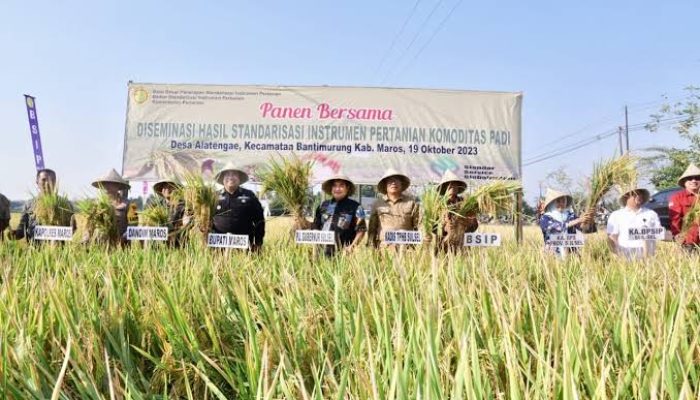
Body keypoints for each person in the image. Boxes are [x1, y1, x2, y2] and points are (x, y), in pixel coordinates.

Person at [212, 163, 265, 251]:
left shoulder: (249, 195)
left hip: (244, 245)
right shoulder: (214, 196)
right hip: (218, 245)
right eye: (227, 175)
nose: (231, 177)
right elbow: (205, 220)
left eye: (234, 174)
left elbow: (259, 220)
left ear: (239, 178)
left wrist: (258, 242)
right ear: (222, 179)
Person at [313, 174, 367, 256]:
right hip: (321, 253)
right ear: (331, 188)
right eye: (334, 186)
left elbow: (361, 230)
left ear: (347, 188)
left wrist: (351, 247)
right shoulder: (322, 206)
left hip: (343, 254)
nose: (337, 189)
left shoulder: (356, 207)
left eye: (341, 185)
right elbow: (316, 227)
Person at [367, 168, 420, 248]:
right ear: (385, 185)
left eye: (396, 180)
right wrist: (372, 248)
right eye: (390, 181)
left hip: (407, 249)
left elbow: (419, 226)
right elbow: (372, 229)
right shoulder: (378, 204)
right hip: (384, 249)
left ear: (401, 184)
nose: (393, 183)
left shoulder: (412, 203)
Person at [538, 188, 595, 258]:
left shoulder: (571, 216)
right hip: (552, 255)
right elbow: (556, 228)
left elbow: (585, 229)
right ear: (551, 203)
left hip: (572, 255)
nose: (561, 204)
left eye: (563, 201)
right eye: (558, 201)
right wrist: (579, 220)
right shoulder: (545, 218)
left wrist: (589, 219)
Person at [607, 188, 660, 260]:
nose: (639, 196)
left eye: (640, 194)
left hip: (648, 260)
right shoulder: (616, 215)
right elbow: (612, 238)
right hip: (625, 259)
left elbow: (659, 233)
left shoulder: (651, 214)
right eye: (635, 194)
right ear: (626, 197)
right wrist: (617, 255)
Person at [435, 170, 478, 252]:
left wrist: (467, 224)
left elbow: (474, 225)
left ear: (458, 188)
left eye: (455, 185)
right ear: (444, 188)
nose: (452, 187)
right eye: (449, 185)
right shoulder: (438, 205)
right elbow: (432, 227)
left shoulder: (465, 204)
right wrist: (444, 227)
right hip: (443, 246)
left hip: (461, 246)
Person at [9, 168, 57, 241]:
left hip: (59, 251)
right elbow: (22, 231)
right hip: (35, 251)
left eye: (51, 180)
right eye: (44, 180)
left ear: (55, 182)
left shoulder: (65, 205)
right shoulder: (29, 205)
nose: (47, 183)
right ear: (37, 182)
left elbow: (72, 229)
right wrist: (13, 234)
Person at [91, 169, 132, 244]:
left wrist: (124, 237)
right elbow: (90, 225)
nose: (108, 187)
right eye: (106, 184)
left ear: (118, 186)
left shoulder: (129, 204)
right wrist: (86, 237)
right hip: (101, 243)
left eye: (111, 184)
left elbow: (134, 225)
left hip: (121, 243)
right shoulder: (97, 204)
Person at [669, 163, 700, 252]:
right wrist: (678, 236)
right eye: (690, 178)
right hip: (689, 241)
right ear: (684, 182)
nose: (694, 181)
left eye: (697, 178)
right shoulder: (677, 197)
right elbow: (675, 219)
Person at [152, 177, 187, 246]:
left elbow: (185, 225)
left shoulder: (183, 206)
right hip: (158, 243)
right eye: (164, 186)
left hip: (177, 242)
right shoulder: (157, 207)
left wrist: (171, 234)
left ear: (177, 189)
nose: (167, 189)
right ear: (161, 190)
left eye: (171, 186)